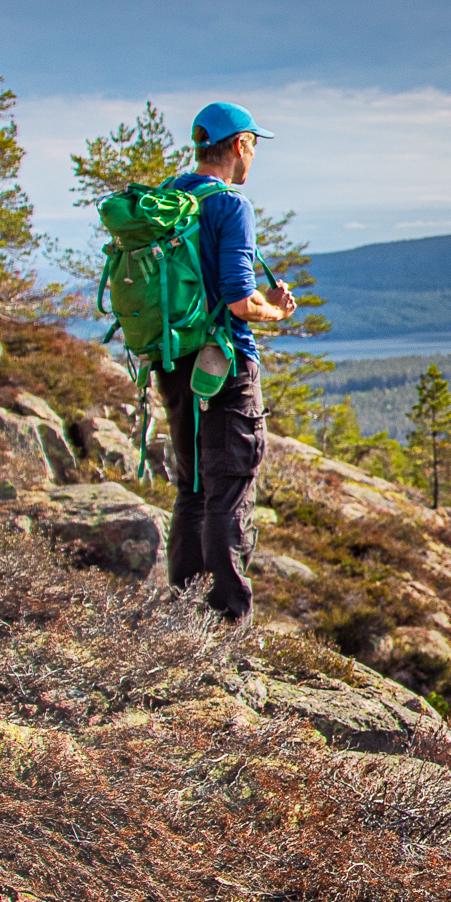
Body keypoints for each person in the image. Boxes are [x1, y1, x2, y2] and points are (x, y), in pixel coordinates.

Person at [158, 101, 295, 626]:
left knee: (192, 487)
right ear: (240, 146)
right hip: (223, 367)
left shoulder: (172, 195)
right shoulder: (230, 205)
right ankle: (227, 623)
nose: (253, 154)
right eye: (253, 145)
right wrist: (275, 312)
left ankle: (185, 615)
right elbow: (239, 301)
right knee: (230, 486)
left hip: (176, 362)